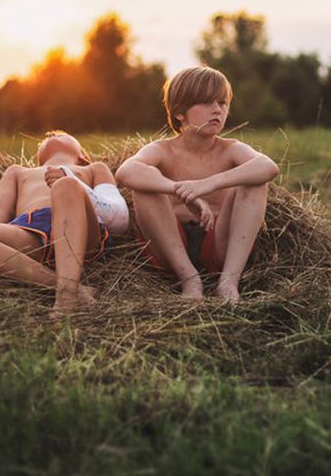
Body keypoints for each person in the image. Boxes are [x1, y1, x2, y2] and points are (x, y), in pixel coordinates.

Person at [115, 66, 279, 302]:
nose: (217, 110)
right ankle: (189, 281)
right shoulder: (163, 149)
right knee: (145, 182)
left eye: (222, 103)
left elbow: (268, 167)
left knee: (254, 182)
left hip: (217, 243)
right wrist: (179, 190)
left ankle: (228, 283)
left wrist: (206, 185)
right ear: (180, 112)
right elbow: (126, 171)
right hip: (171, 245)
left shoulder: (230, 149)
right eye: (206, 102)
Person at [0, 131, 129, 316]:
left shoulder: (94, 168)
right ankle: (68, 287)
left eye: (60, 134)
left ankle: (66, 300)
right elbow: (0, 213)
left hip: (81, 229)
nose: (51, 134)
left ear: (82, 156)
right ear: (39, 162)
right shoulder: (17, 171)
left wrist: (70, 179)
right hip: (31, 231)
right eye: (48, 136)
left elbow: (117, 217)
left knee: (65, 186)